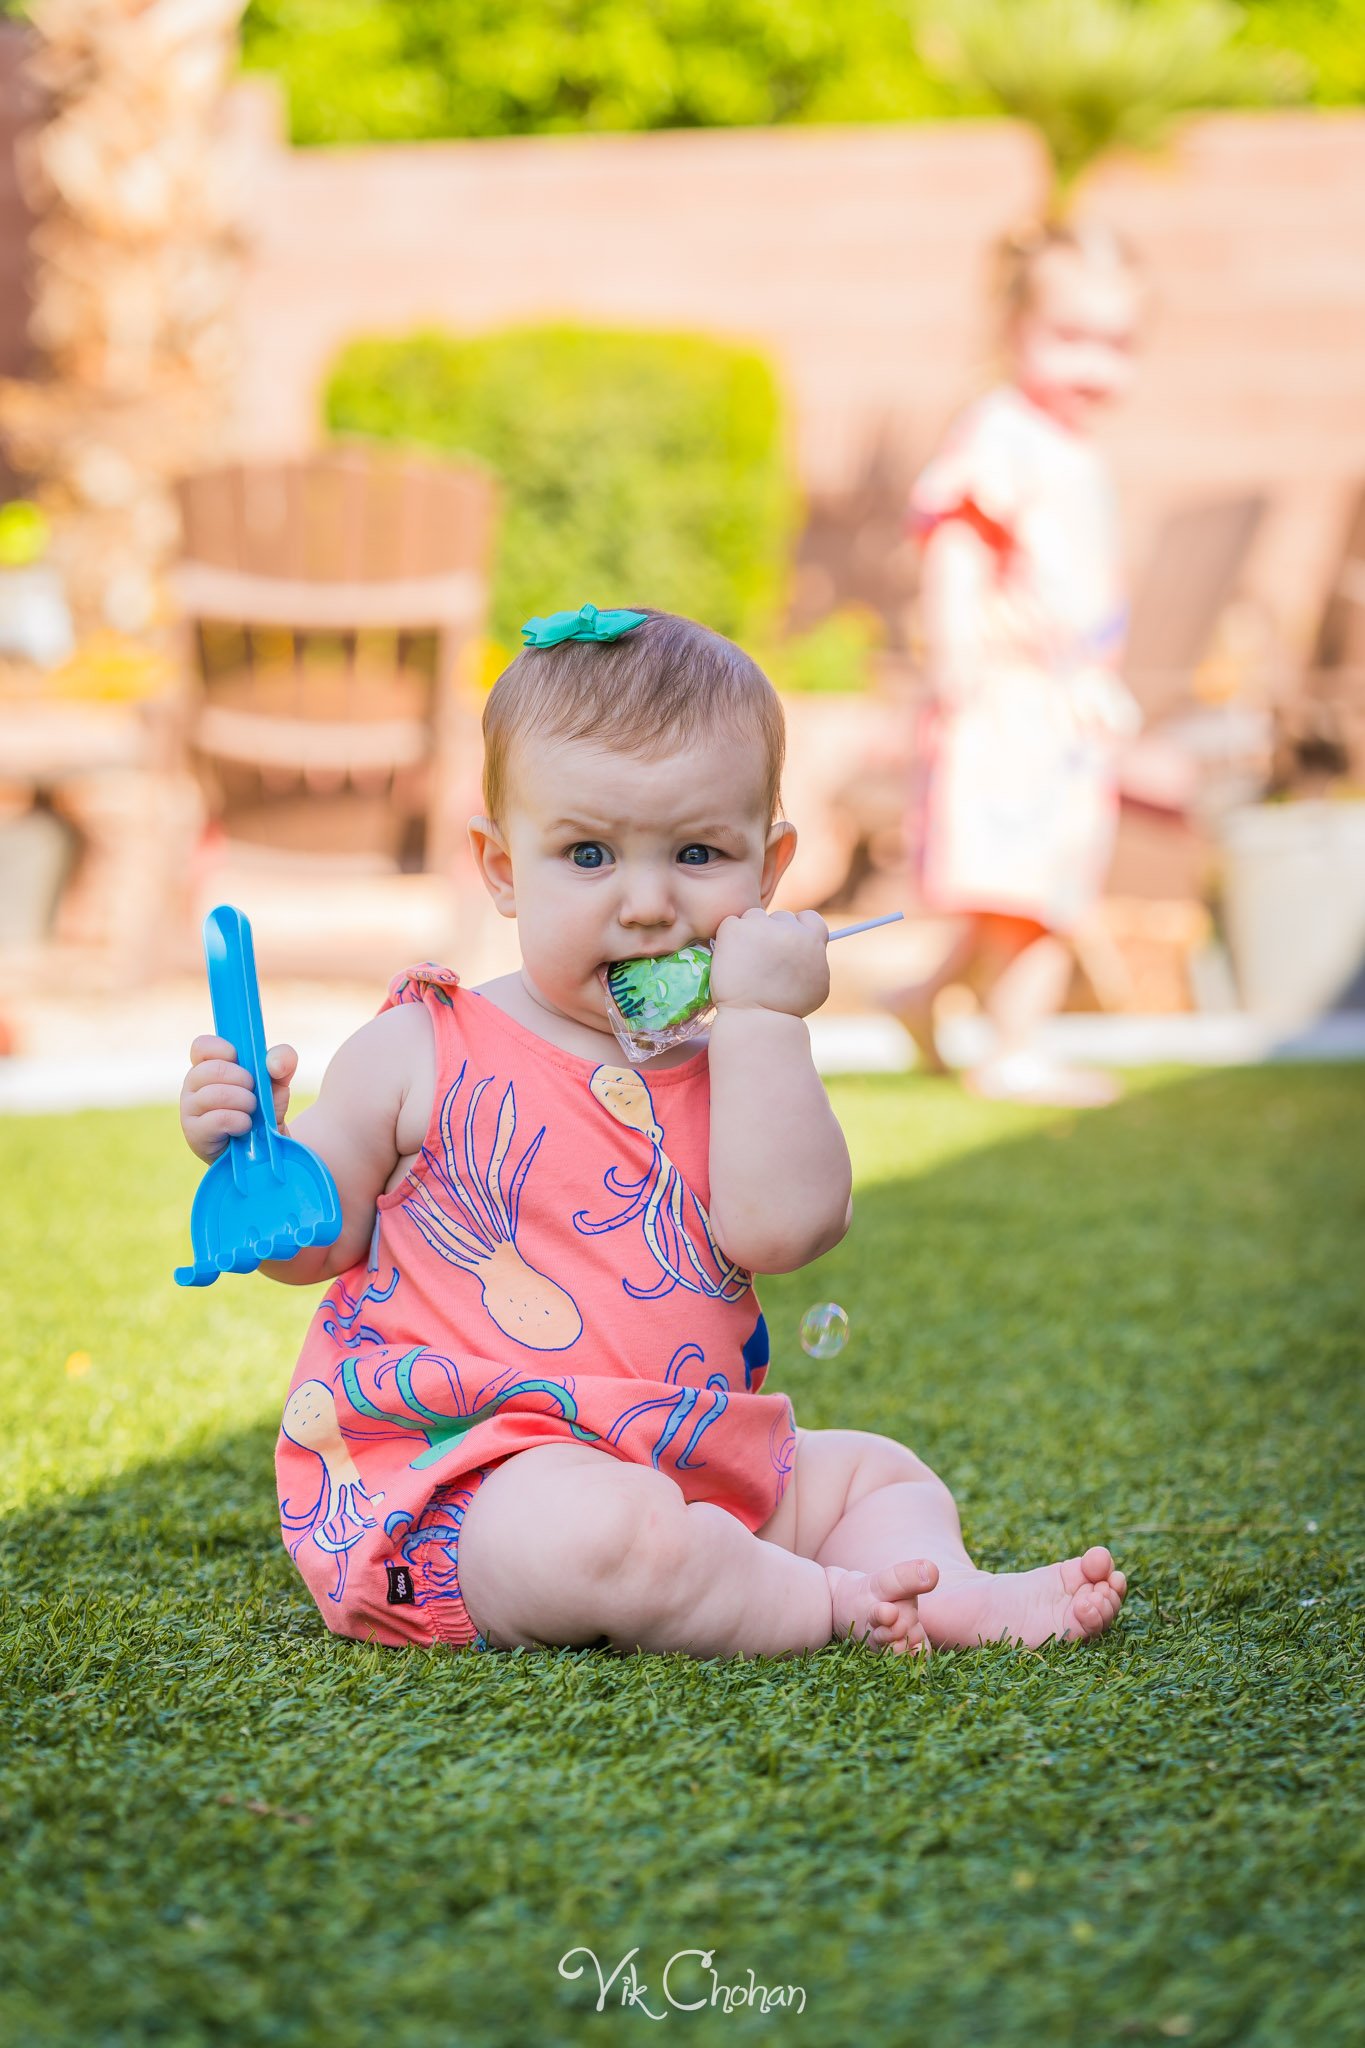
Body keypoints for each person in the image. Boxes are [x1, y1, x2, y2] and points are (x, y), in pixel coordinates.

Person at [178, 604, 1127, 1659]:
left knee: (878, 1469)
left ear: (769, 874)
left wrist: (766, 1021)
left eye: (697, 852)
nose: (645, 904)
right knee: (611, 1529)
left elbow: (785, 1229)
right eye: (587, 853)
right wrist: (254, 1153)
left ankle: (948, 1591)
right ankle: (826, 1605)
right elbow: (312, 1247)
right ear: (500, 867)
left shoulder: (740, 1064)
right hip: (469, 1486)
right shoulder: (419, 1042)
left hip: (698, 1455)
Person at [883, 222, 1144, 1106]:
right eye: (1069, 338)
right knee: (1039, 889)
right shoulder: (1002, 432)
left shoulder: (1071, 448)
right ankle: (1014, 1048)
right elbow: (957, 542)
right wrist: (953, 653)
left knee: (1021, 881)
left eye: (1116, 344)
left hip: (1059, 702)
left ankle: (921, 998)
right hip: (1008, 695)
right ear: (1013, 331)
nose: (1093, 365)